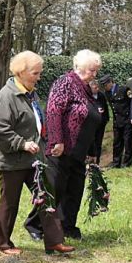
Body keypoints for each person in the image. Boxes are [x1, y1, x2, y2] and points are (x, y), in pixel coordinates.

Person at [0, 51, 74, 256]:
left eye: (39, 72)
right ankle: (3, 243)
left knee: (46, 197)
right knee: (10, 203)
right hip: (13, 161)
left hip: (35, 160)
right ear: (21, 72)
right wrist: (22, 144)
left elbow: (37, 124)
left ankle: (54, 241)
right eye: (35, 73)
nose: (39, 76)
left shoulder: (31, 93)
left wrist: (48, 143)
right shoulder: (7, 95)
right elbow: (0, 129)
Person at [46, 50, 103, 240]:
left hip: (79, 150)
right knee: (57, 190)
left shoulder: (85, 88)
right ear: (81, 67)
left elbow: (91, 121)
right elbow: (54, 111)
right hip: (64, 148)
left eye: (96, 71)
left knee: (75, 189)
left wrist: (93, 151)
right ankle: (38, 226)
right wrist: (57, 140)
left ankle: (69, 227)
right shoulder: (66, 82)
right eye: (93, 70)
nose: (95, 74)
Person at [99, 74, 132, 168]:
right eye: (103, 86)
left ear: (110, 82)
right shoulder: (107, 93)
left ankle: (127, 163)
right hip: (117, 121)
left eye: (105, 85)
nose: (105, 87)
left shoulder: (124, 89)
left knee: (128, 142)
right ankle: (116, 162)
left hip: (127, 120)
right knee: (117, 142)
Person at [88, 79, 109, 164]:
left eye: (97, 87)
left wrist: (106, 118)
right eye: (94, 88)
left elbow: (105, 108)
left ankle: (97, 162)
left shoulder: (101, 95)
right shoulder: (87, 96)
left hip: (101, 123)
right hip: (90, 124)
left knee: (98, 142)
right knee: (90, 142)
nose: (97, 89)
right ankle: (90, 160)